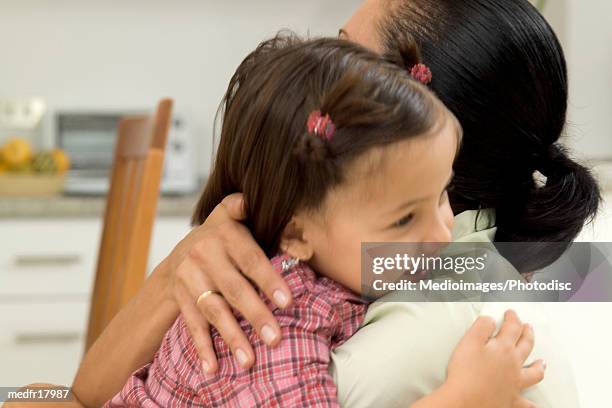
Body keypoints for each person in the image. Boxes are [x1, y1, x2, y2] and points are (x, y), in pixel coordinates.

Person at [72, 0, 600, 407]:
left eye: (347, 57)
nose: (316, 69)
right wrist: (177, 271)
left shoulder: (406, 335)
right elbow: (86, 391)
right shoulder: (332, 274)